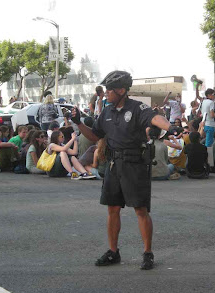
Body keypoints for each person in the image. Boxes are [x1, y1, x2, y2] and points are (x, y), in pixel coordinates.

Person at [71, 70, 182, 270]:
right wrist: (78, 122)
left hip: (135, 164)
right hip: (114, 164)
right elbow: (96, 136)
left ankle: (148, 253)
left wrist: (170, 127)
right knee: (112, 209)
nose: (106, 94)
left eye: (109, 90)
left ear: (121, 90)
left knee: (140, 209)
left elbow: (155, 118)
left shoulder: (137, 108)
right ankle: (113, 252)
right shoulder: (106, 111)